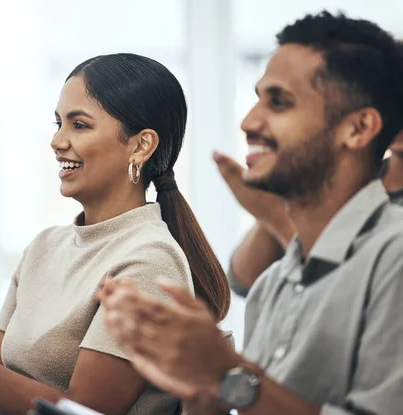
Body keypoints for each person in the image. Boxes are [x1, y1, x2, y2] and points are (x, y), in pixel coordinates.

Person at [0, 53, 231, 415]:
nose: (57, 141)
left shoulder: (149, 258)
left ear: (140, 145)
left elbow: (83, 412)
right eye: (58, 123)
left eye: (79, 125)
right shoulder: (43, 247)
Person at [99, 12, 403, 415]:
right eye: (258, 97)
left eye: (279, 102)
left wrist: (226, 373)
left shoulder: (394, 259)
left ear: (359, 128)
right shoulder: (272, 285)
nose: (248, 122)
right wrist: (200, 388)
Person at [218, 128, 403, 297]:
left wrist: (279, 219)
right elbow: (245, 280)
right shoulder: (352, 177)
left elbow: (352, 300)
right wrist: (277, 195)